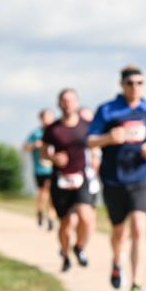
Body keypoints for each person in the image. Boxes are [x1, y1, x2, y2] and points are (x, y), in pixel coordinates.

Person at [87, 65, 146, 291]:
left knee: (139, 227)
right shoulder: (107, 110)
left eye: (140, 83)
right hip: (114, 178)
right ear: (121, 85)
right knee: (119, 231)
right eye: (130, 83)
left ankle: (136, 284)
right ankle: (117, 262)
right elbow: (90, 140)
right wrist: (108, 138)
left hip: (141, 176)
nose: (135, 88)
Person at [43, 88, 96, 272]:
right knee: (66, 224)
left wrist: (96, 158)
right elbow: (44, 152)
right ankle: (65, 255)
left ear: (77, 102)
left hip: (82, 178)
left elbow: (95, 145)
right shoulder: (52, 129)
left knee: (86, 216)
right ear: (59, 103)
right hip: (61, 180)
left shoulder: (87, 125)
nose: (68, 104)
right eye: (64, 100)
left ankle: (79, 246)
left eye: (71, 100)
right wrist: (53, 158)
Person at [24, 108, 56, 230]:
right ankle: (40, 211)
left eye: (50, 117)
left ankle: (51, 217)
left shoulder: (57, 131)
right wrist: (34, 145)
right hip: (41, 169)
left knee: (53, 193)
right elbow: (25, 147)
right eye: (45, 117)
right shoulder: (36, 133)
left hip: (55, 168)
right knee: (44, 192)